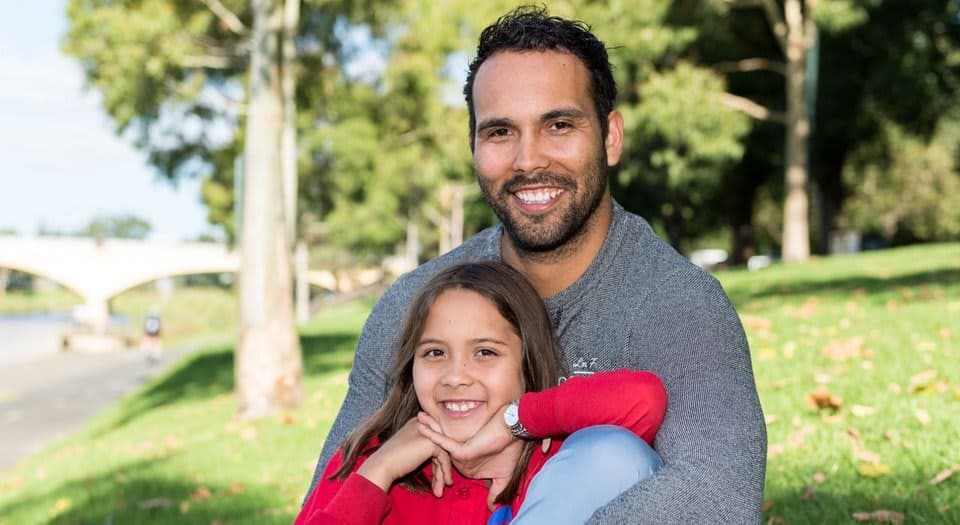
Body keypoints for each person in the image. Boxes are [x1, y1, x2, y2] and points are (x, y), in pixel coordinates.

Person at [306, 5, 766, 523]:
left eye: (559, 124)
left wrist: (515, 421)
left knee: (614, 452)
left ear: (610, 137)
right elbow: (330, 490)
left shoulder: (677, 306)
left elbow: (722, 496)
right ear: (474, 146)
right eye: (500, 132)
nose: (528, 160)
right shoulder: (416, 305)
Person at [296, 262, 667, 524]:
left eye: (485, 352)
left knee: (618, 451)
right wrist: (380, 471)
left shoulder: (551, 460)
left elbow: (644, 400)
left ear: (527, 363)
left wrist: (516, 421)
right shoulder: (373, 459)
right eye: (435, 353)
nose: (455, 376)